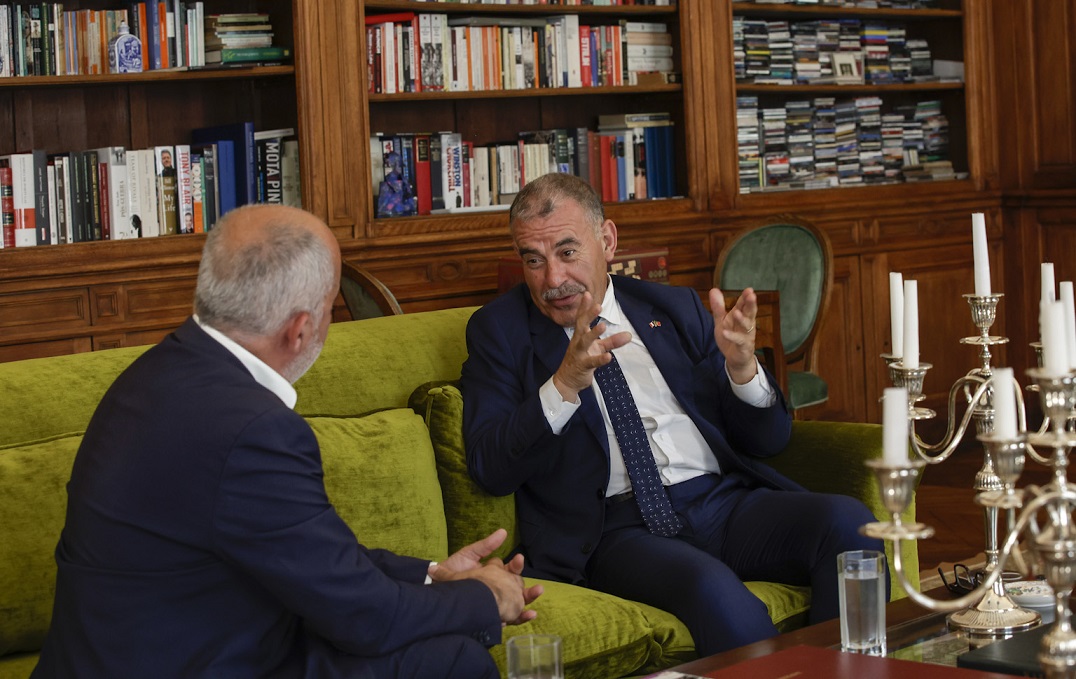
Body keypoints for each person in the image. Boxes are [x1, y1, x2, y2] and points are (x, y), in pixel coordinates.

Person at [32, 204, 541, 678]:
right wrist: (484, 598)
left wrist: (432, 574)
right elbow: (365, 618)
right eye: (331, 308)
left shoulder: (151, 374)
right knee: (452, 660)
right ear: (300, 330)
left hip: (133, 653)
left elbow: (310, 555)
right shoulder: (252, 428)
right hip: (188, 662)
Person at [460, 172, 885, 656]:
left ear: (607, 241)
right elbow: (490, 466)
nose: (552, 279)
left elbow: (770, 440)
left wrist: (743, 369)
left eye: (567, 252)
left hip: (719, 503)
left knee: (849, 525)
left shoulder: (672, 306)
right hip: (616, 531)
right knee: (712, 588)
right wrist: (564, 384)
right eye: (533, 260)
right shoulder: (499, 332)